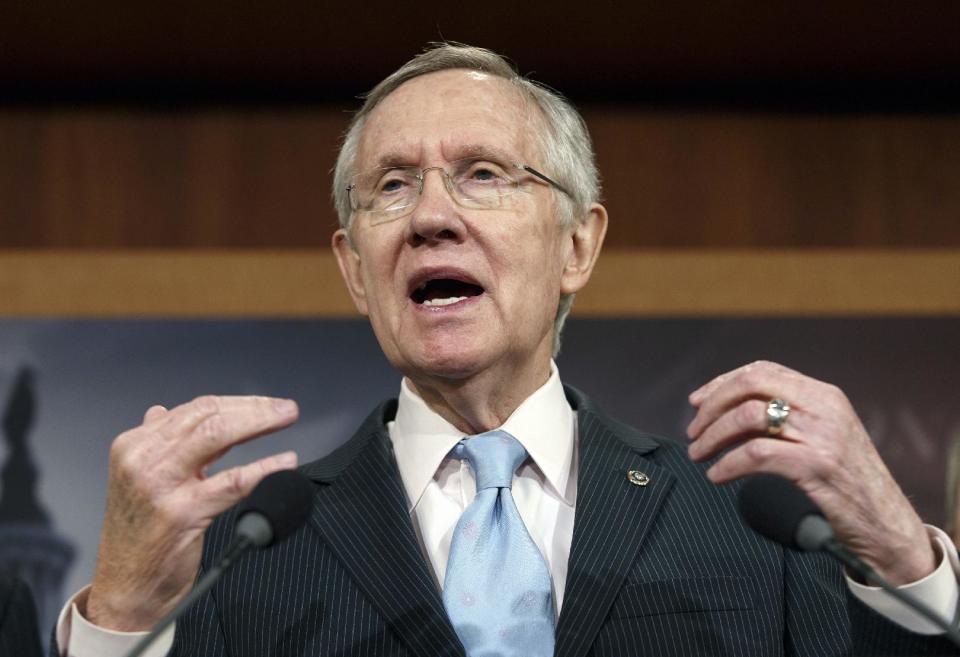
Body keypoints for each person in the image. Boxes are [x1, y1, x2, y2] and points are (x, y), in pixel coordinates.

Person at [56, 44, 957, 657]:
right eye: (392, 186)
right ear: (355, 269)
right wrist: (124, 615)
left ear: (577, 245)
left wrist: (904, 555)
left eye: (484, 174)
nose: (432, 216)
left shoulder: (753, 523)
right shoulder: (235, 555)